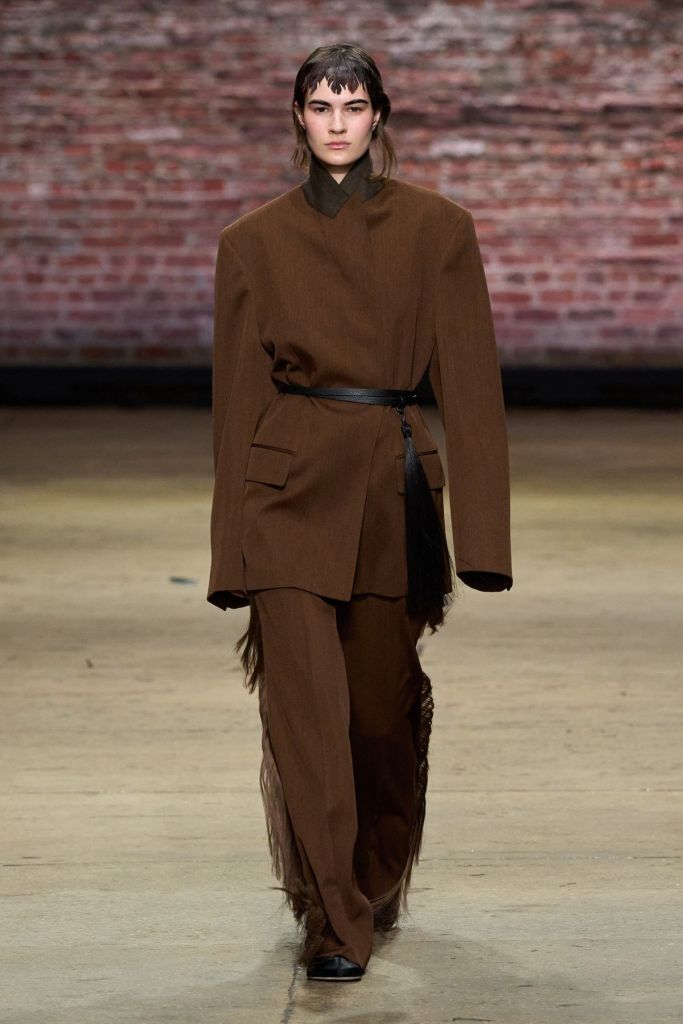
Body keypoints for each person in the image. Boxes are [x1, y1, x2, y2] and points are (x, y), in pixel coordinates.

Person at [207, 43, 513, 982]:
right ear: (297, 119)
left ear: (379, 116)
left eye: (352, 105)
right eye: (319, 106)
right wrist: (229, 554)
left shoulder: (438, 229)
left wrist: (483, 541)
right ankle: (333, 916)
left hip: (390, 488)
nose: (336, 123)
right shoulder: (251, 242)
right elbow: (235, 402)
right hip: (287, 493)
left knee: (379, 718)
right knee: (304, 714)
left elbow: (470, 382)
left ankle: (371, 877)